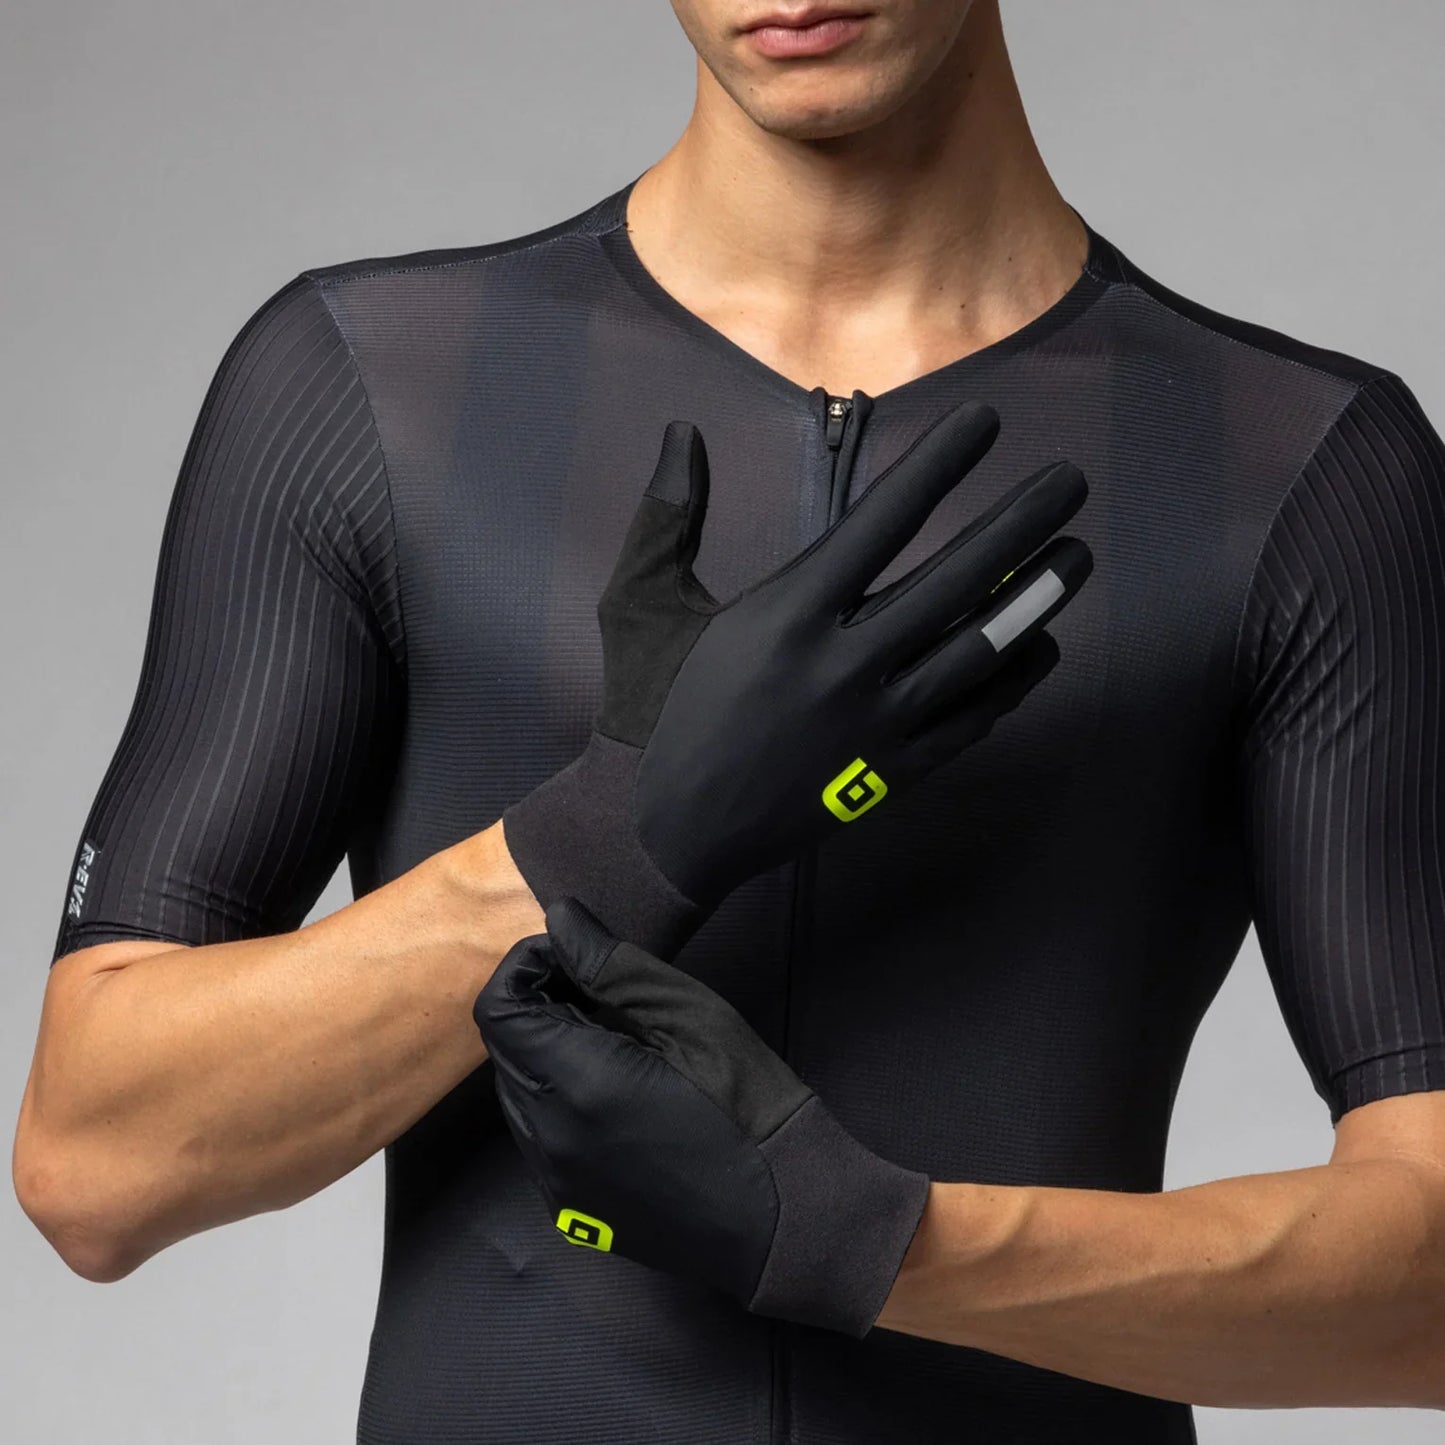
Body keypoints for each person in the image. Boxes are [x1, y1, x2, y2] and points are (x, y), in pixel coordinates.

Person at [14, 2, 1445, 1441]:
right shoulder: (380, 390)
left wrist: (864, 1241)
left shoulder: (1297, 465)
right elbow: (96, 1164)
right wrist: (615, 832)